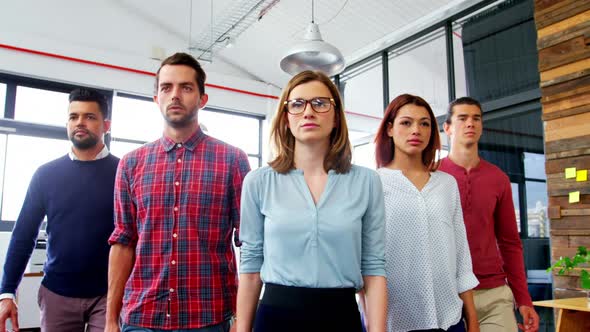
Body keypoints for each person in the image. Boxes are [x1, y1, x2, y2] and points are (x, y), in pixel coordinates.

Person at [106, 52, 250, 332]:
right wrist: (111, 319)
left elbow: (250, 243)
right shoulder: (131, 163)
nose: (175, 95)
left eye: (186, 87)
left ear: (202, 99)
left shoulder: (232, 160)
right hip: (142, 317)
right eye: (166, 87)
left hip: (210, 317)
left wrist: (241, 318)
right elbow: (123, 242)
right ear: (155, 98)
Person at [236, 70, 387, 332]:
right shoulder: (258, 181)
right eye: (297, 104)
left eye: (320, 103)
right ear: (285, 119)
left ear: (337, 117)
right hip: (275, 318)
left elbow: (373, 267)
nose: (308, 112)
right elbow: (250, 267)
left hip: (341, 318)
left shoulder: (366, 182)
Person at [0, 88, 119, 332]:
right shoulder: (46, 175)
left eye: (89, 116)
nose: (80, 123)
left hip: (109, 295)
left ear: (106, 124)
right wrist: (7, 291)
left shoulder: (124, 172)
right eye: (73, 117)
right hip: (57, 293)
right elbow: (23, 235)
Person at [374, 94, 479, 332]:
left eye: (425, 124)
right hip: (394, 320)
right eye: (406, 122)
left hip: (449, 318)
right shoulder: (373, 183)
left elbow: (461, 255)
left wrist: (472, 317)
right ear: (389, 129)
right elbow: (365, 260)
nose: (416, 130)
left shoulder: (447, 184)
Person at [439, 97, 539, 332]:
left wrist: (523, 299)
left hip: (493, 293)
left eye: (476, 118)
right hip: (446, 294)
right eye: (462, 118)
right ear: (448, 128)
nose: (470, 123)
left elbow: (510, 243)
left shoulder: (498, 178)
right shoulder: (432, 175)